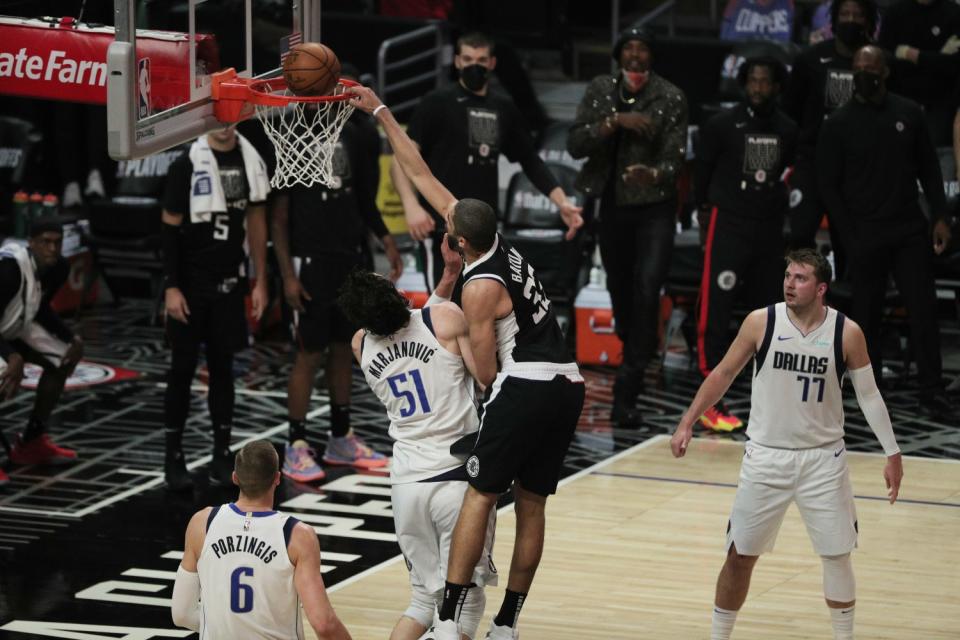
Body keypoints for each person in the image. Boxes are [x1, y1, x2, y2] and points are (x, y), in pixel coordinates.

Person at [349, 85, 585, 640]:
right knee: (532, 508)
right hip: (568, 380)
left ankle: (450, 622)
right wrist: (381, 111)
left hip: (522, 383)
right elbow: (425, 174)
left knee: (481, 492)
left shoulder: (477, 289)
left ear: (454, 241)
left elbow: (484, 375)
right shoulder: (496, 240)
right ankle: (506, 626)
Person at [671, 248, 904, 640]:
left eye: (800, 278)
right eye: (788, 276)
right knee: (740, 555)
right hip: (765, 456)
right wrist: (687, 421)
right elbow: (724, 373)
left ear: (821, 288)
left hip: (823, 460)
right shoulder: (761, 322)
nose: (789, 284)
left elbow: (869, 396)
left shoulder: (846, 332)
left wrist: (892, 452)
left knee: (836, 556)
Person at [338, 258, 496, 640]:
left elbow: (417, 323)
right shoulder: (447, 319)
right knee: (466, 607)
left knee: (422, 603)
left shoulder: (360, 344)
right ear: (395, 294)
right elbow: (485, 377)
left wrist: (447, 276)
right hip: (454, 478)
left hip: (407, 483)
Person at [271, 67, 401, 482]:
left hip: (350, 257)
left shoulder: (358, 133)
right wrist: (286, 275)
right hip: (309, 262)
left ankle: (341, 437)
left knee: (347, 348)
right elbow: (279, 216)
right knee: (309, 353)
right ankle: (295, 444)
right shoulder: (291, 129)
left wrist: (385, 238)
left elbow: (365, 196)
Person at [817, 45, 958, 419]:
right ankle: (869, 394)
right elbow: (828, 185)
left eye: (871, 67)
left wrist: (940, 217)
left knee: (924, 311)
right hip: (864, 234)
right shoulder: (838, 123)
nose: (865, 72)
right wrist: (847, 234)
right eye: (859, 67)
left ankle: (931, 391)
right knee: (865, 319)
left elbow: (930, 170)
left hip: (909, 230)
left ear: (886, 71)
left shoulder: (908, 113)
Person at [392, 31, 581, 293]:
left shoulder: (503, 107)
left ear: (492, 63)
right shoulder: (436, 102)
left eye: (481, 60)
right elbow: (401, 159)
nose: (474, 66)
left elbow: (530, 161)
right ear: (457, 61)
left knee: (481, 309)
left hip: (484, 230)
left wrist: (562, 202)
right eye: (468, 59)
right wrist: (411, 205)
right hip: (442, 225)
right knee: (445, 310)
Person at [567, 27, 688, 427]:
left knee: (648, 287)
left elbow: (676, 160)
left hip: (654, 207)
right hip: (611, 205)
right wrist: (615, 121)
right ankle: (633, 343)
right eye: (629, 49)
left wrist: (651, 173)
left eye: (643, 50)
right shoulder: (601, 88)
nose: (635, 56)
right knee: (620, 289)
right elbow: (576, 144)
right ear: (619, 55)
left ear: (652, 57)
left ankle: (628, 388)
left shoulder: (670, 96)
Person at [161, 125, 270, 490]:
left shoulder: (249, 159)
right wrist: (172, 287)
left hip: (229, 279)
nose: (224, 125)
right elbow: (168, 231)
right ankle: (173, 455)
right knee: (182, 369)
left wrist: (260, 280)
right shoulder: (185, 164)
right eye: (217, 118)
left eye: (230, 117)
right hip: (190, 283)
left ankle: (221, 453)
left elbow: (256, 221)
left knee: (224, 368)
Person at [694, 56, 798, 431]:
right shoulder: (722, 124)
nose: (759, 88)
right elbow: (701, 174)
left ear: (777, 86)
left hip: (769, 228)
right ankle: (709, 401)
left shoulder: (788, 129)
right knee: (716, 311)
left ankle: (768, 402)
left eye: (765, 81)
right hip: (729, 224)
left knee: (768, 314)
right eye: (753, 81)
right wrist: (700, 214)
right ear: (744, 84)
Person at [171, 439, 352, 640]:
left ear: (234, 478)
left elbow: (181, 614)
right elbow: (323, 623)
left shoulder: (202, 523)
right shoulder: (297, 535)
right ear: (277, 478)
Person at [782, 0, 878, 258]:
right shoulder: (809, 59)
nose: (851, 20)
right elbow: (790, 112)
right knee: (800, 234)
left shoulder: (878, 63)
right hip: (812, 161)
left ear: (869, 21)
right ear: (833, 20)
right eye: (845, 14)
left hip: (856, 168)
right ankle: (796, 295)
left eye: (858, 14)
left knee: (850, 242)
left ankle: (844, 297)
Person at [0, 217, 83, 486]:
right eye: (45, 242)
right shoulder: (10, 269)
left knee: (64, 358)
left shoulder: (58, 267)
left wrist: (71, 337)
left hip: (13, 326)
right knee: (5, 373)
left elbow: (40, 308)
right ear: (31, 243)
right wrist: (13, 356)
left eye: (57, 242)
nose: (52, 248)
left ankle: (31, 440)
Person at [880, 0, 960, 146]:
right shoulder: (895, 12)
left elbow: (953, 64)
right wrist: (936, 57)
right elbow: (886, 58)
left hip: (940, 104)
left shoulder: (954, 12)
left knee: (938, 158)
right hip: (899, 101)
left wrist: (911, 54)